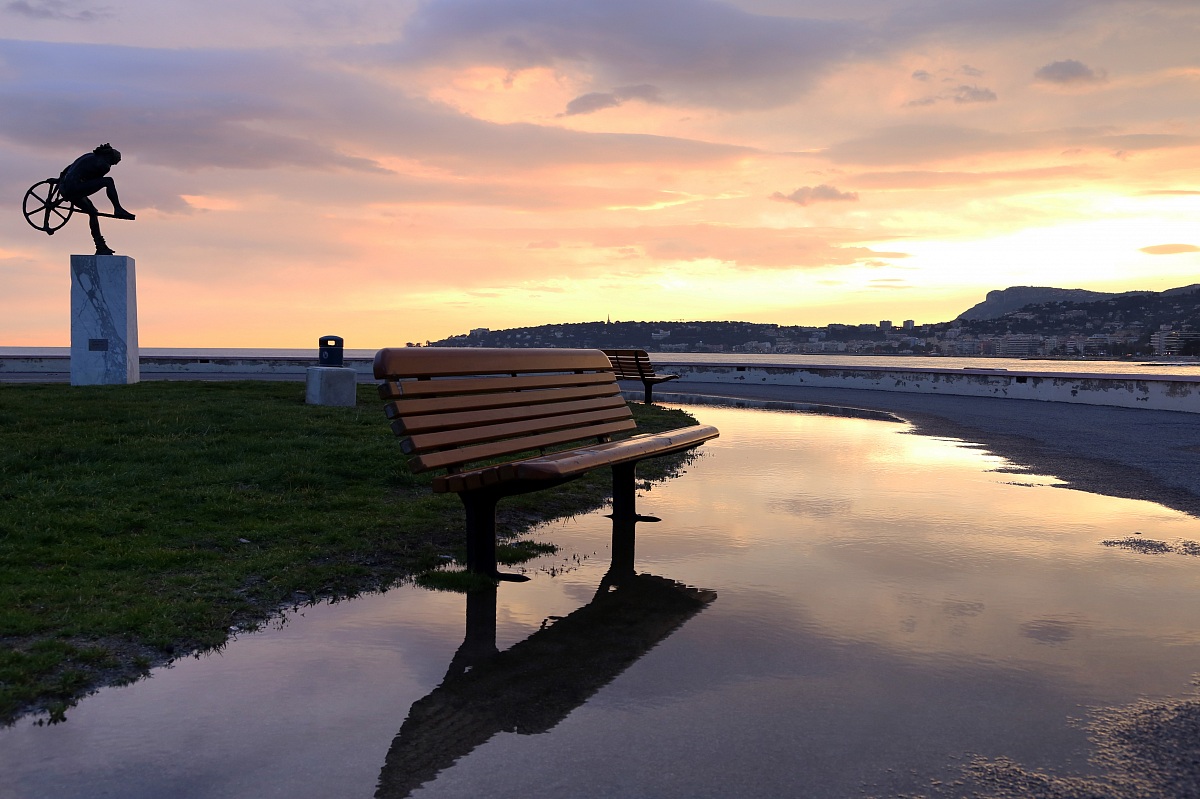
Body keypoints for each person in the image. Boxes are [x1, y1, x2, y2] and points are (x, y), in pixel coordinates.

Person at [57, 143, 135, 256]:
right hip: (74, 189)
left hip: (65, 187)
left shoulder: (89, 156)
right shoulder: (104, 166)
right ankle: (118, 208)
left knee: (93, 212)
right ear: (111, 158)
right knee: (108, 181)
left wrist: (59, 180)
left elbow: (69, 167)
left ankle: (100, 245)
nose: (113, 165)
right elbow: (92, 182)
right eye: (114, 162)